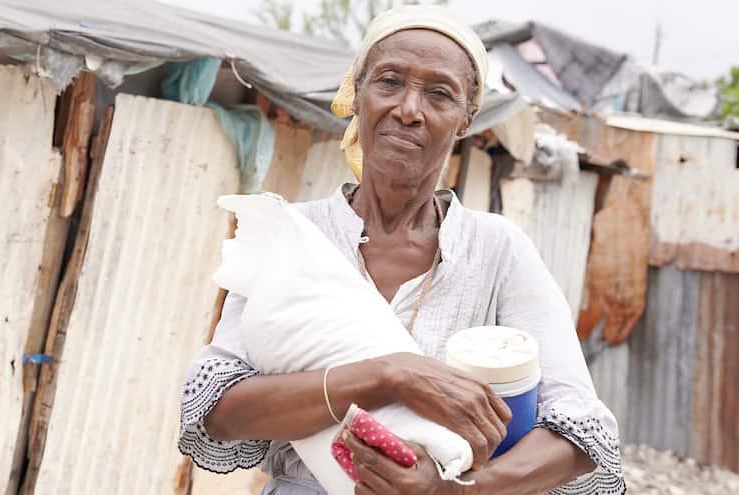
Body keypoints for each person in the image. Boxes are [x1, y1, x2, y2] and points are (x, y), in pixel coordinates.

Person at [178, 5, 623, 494]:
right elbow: (219, 411)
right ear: (358, 94)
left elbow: (581, 433)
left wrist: (454, 491)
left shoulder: (498, 251)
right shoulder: (291, 233)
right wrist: (389, 375)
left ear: (465, 119)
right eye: (389, 82)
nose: (409, 109)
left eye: (438, 94)